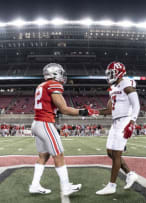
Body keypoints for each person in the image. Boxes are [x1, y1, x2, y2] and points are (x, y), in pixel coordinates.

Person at [29, 63, 96, 196]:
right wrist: (84, 112)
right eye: (61, 73)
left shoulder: (41, 85)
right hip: (45, 123)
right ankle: (66, 187)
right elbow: (64, 109)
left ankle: (35, 185)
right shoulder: (53, 85)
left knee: (44, 155)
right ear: (54, 74)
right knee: (58, 155)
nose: (63, 76)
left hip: (36, 123)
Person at [92, 61, 140, 195]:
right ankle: (130, 174)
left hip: (125, 120)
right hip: (116, 122)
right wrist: (95, 111)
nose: (109, 76)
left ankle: (112, 185)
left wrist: (132, 122)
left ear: (119, 72)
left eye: (111, 73)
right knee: (110, 152)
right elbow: (109, 110)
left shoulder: (126, 83)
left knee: (117, 154)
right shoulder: (113, 88)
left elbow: (136, 105)